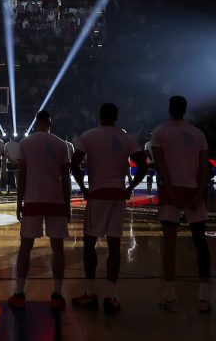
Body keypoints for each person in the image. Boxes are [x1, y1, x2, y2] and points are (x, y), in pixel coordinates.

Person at [70, 103, 148, 313]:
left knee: (89, 244)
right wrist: (130, 187)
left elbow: (74, 162)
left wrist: (85, 188)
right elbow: (144, 165)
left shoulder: (88, 135)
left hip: (98, 194)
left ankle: (90, 293)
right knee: (114, 246)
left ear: (99, 116)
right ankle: (111, 297)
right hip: (117, 195)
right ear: (116, 116)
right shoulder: (126, 138)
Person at [150, 96, 212, 313]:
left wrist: (170, 191)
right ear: (186, 110)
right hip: (193, 190)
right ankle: (204, 297)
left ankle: (169, 295)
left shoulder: (159, 132)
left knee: (169, 244)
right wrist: (199, 193)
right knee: (200, 243)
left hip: (171, 192)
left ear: (169, 109)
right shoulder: (198, 134)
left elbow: (160, 166)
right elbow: (205, 167)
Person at [8, 111, 71, 310]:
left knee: (25, 247)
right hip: (55, 201)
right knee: (57, 249)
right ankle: (57, 294)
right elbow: (66, 179)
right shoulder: (61, 144)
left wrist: (19, 202)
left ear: (36, 123)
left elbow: (22, 176)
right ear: (51, 123)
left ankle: (19, 293)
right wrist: (67, 204)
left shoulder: (26, 144)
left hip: (33, 200)